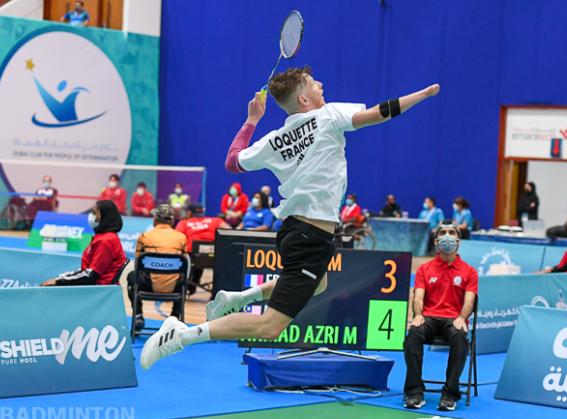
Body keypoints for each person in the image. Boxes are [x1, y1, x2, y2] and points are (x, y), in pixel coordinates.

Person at [140, 65, 440, 369]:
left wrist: (252, 120)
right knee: (270, 326)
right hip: (311, 236)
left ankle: (239, 297)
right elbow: (379, 113)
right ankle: (183, 335)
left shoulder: (275, 139)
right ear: (304, 100)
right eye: (313, 83)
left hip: (296, 232)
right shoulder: (330, 115)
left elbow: (232, 161)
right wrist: (423, 94)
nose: (321, 84)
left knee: (319, 284)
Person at [403, 223, 477, 411]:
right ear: (436, 242)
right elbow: (418, 296)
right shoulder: (424, 269)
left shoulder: (469, 272)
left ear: (458, 241)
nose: (447, 236)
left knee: (460, 338)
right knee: (412, 335)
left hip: (454, 319)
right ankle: (414, 392)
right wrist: (417, 315)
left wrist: (462, 317)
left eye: (452, 233)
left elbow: (469, 302)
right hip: (430, 318)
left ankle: (450, 393)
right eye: (442, 233)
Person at [127, 204, 187, 331]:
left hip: (147, 285)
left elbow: (138, 263)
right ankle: (174, 318)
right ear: (171, 220)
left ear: (155, 219)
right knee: (184, 280)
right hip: (174, 288)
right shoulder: (182, 237)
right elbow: (185, 263)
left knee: (131, 276)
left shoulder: (144, 236)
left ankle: (138, 316)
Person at [41, 201, 126, 286]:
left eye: (94, 213)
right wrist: (60, 278)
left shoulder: (107, 241)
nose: (91, 216)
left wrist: (59, 282)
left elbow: (90, 276)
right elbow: (85, 271)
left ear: (105, 216)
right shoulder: (102, 237)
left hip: (99, 290)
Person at [176, 203, 231, 294]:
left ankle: (188, 286)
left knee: (190, 255)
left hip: (192, 258)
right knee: (202, 256)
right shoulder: (216, 221)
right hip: (214, 258)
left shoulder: (184, 223)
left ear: (189, 213)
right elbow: (229, 232)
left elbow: (176, 237)